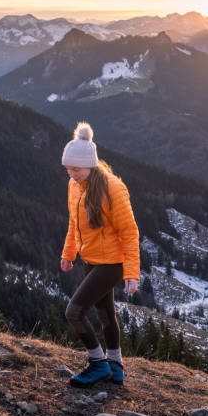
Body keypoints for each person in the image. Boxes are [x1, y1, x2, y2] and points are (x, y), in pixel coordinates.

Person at [60, 122, 140, 387]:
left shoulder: (113, 189)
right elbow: (75, 223)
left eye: (76, 169)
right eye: (68, 169)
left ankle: (98, 364)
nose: (72, 174)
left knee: (74, 312)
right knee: (106, 313)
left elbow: (129, 232)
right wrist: (69, 253)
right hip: (91, 260)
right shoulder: (75, 187)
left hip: (112, 263)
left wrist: (131, 273)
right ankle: (115, 365)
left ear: (91, 165)